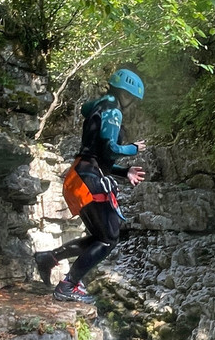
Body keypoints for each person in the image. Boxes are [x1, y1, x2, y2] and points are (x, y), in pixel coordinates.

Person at [34, 69, 148, 302]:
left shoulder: (100, 107)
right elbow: (109, 149)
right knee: (109, 239)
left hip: (81, 175)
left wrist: (124, 171)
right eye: (131, 97)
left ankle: (48, 259)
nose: (131, 102)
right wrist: (132, 148)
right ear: (125, 93)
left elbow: (97, 156)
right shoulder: (113, 111)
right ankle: (68, 285)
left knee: (100, 236)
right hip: (89, 180)